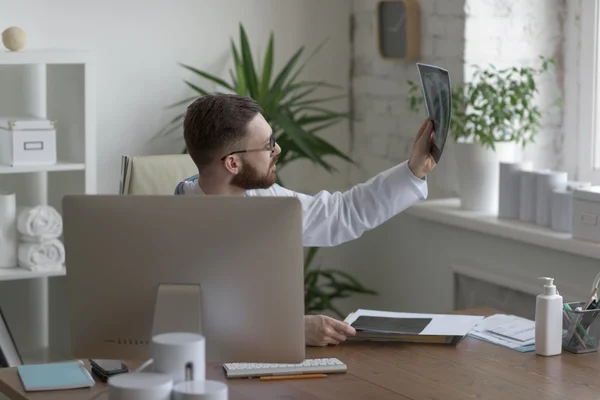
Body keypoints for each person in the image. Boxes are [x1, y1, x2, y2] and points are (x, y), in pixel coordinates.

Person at [174, 93, 436, 347]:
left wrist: (413, 170)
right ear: (232, 163)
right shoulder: (174, 226)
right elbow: (186, 324)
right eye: (268, 144)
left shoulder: (265, 199)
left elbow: (340, 213)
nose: (278, 148)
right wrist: (290, 328)